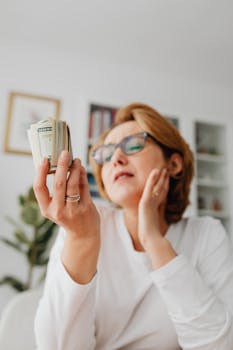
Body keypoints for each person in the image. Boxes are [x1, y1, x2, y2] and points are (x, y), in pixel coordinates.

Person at [33, 103, 233, 350]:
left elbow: (218, 345)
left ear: (174, 164)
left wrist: (153, 240)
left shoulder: (206, 235)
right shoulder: (82, 225)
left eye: (134, 144)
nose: (116, 158)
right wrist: (81, 239)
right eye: (105, 154)